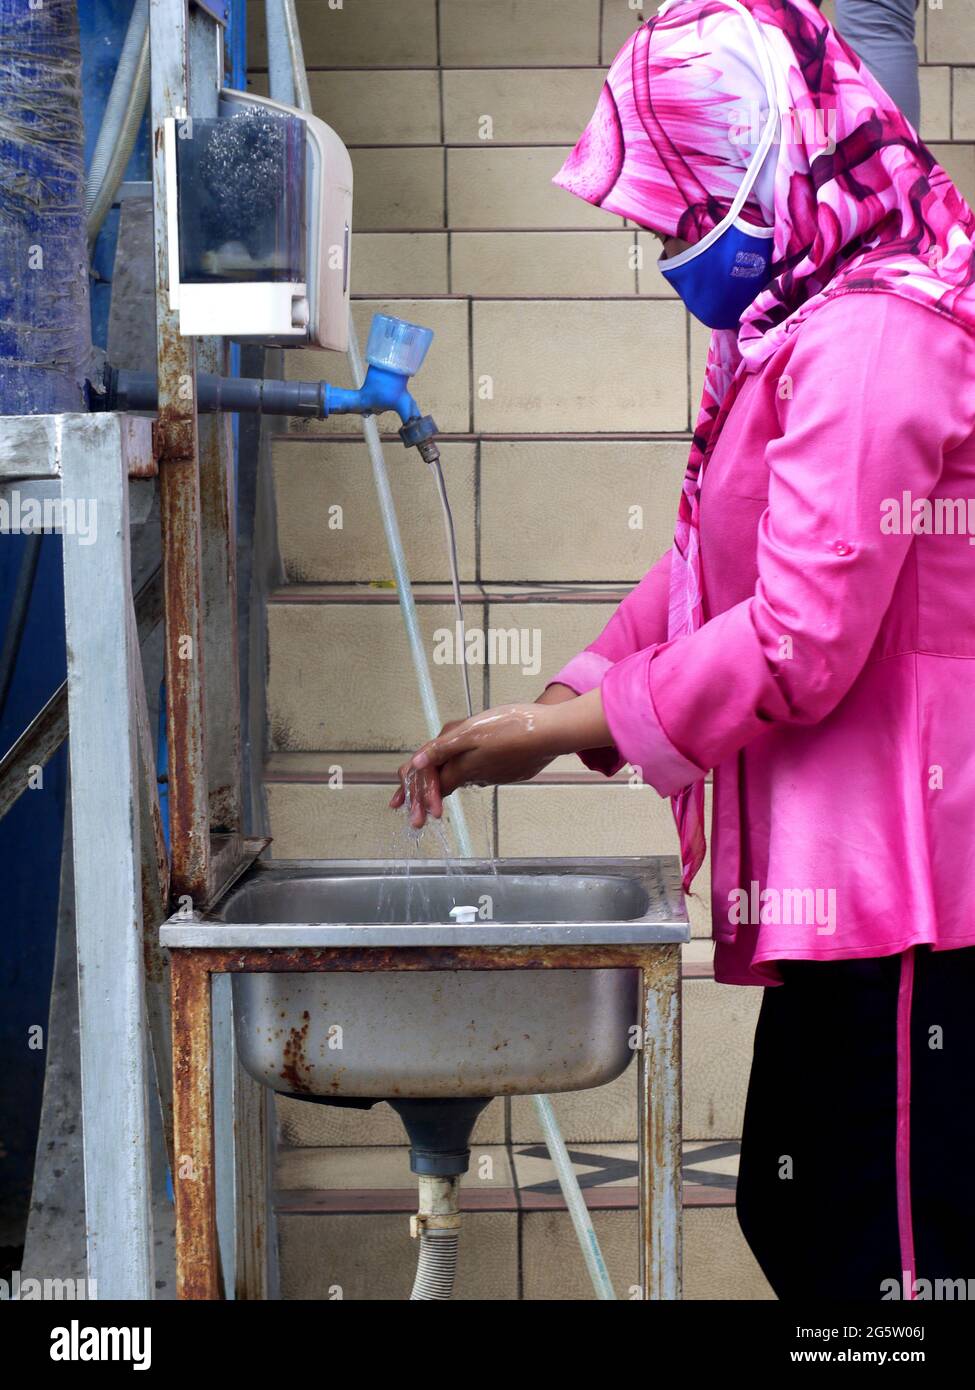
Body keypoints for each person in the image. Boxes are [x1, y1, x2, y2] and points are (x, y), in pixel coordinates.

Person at [390, 0, 975, 1300]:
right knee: (808, 1221)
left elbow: (800, 637)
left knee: (893, 1263)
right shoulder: (789, 329)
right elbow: (708, 566)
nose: (663, 245)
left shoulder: (880, 335)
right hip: (856, 899)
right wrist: (569, 691)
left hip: (924, 899)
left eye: (678, 211)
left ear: (767, 164)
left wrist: (557, 733)